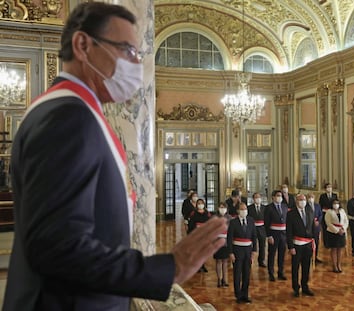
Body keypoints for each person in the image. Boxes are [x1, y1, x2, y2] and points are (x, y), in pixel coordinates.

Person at [2, 3, 227, 310]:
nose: (136, 64)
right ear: (83, 45)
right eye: (128, 51)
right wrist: (169, 267)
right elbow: (58, 247)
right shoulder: (68, 117)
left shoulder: (74, 112)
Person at [227, 202, 257, 304]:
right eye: (242, 209)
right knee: (237, 274)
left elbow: (254, 236)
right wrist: (230, 253)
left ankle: (245, 294)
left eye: (245, 209)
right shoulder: (233, 222)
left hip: (248, 251)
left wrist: (254, 251)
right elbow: (229, 238)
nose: (244, 211)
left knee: (246, 274)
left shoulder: (251, 220)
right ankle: (238, 295)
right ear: (238, 211)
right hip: (237, 250)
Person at [286, 194, 315, 297]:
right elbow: (288, 232)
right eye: (300, 200)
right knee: (295, 267)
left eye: (304, 200)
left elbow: (312, 227)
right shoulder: (291, 214)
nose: (302, 201)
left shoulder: (309, 211)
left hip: (308, 244)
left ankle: (305, 286)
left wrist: (314, 240)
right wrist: (290, 247)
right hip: (297, 245)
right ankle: (295, 288)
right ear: (296, 201)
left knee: (306, 266)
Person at [264, 190, 288, 281]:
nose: (279, 197)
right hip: (273, 233)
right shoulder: (268, 208)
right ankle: (271, 273)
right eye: (278, 195)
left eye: (281, 196)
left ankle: (280, 272)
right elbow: (266, 223)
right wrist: (269, 236)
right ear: (273, 197)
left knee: (282, 254)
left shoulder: (284, 206)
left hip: (283, 234)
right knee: (272, 254)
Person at [324, 199, 349, 272]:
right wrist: (337, 230)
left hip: (342, 231)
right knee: (334, 249)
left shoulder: (342, 211)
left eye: (337, 203)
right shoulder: (329, 212)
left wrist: (343, 228)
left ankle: (339, 264)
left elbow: (346, 221)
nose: (336, 205)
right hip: (332, 232)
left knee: (340, 249)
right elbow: (328, 223)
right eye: (334, 203)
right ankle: (334, 265)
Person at [188, 198, 212, 272]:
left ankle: (203, 265)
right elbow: (190, 225)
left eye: (201, 203)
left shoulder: (207, 213)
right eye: (199, 203)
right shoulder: (193, 213)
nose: (200, 205)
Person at [214, 202, 232, 287]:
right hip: (217, 241)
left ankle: (225, 279)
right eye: (220, 207)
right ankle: (219, 279)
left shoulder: (229, 218)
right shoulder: (214, 218)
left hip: (226, 242)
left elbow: (231, 230)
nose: (222, 209)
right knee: (218, 261)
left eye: (223, 207)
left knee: (225, 261)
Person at [247, 192, 267, 267]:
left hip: (262, 228)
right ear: (253, 199)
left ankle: (261, 261)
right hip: (252, 228)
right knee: (251, 245)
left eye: (259, 197)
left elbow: (267, 219)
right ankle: (249, 260)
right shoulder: (249, 208)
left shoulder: (264, 208)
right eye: (256, 197)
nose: (257, 199)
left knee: (262, 245)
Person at [319, 182, 338, 247]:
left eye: (330, 187)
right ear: (325, 189)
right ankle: (326, 243)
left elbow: (337, 204)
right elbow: (320, 206)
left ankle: (332, 242)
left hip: (332, 213)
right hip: (325, 213)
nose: (329, 188)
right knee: (325, 228)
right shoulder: (322, 196)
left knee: (332, 227)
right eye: (328, 187)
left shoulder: (335, 195)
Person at [307, 193, 323, 263]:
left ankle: (315, 257)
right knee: (309, 242)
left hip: (316, 227)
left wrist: (318, 221)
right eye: (310, 197)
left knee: (316, 242)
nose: (311, 198)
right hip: (309, 227)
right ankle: (309, 257)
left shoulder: (317, 205)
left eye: (312, 197)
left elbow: (320, 215)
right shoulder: (305, 206)